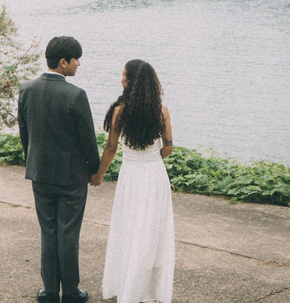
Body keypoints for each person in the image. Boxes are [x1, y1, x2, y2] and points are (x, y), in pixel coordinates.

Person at [18, 36, 101, 303]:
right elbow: (88, 140)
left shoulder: (26, 89)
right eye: (76, 59)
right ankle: (72, 293)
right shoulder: (76, 95)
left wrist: (32, 161)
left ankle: (50, 292)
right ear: (63, 62)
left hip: (39, 172)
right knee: (68, 233)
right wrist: (95, 170)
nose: (79, 64)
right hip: (71, 177)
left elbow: (25, 134)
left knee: (48, 231)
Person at [91, 59, 175, 303]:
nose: (121, 79)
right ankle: (148, 291)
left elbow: (111, 148)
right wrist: (152, 159)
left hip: (131, 176)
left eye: (124, 75)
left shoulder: (120, 111)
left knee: (129, 229)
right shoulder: (162, 111)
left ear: (131, 81)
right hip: (155, 175)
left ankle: (128, 287)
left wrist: (99, 175)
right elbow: (169, 147)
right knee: (151, 233)